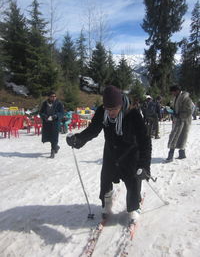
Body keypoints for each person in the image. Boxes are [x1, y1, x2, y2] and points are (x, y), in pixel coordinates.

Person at [66, 85, 151, 224]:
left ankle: (133, 208)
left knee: (133, 181)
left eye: (114, 109)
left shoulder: (133, 114)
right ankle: (106, 202)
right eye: (108, 109)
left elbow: (145, 141)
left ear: (121, 105)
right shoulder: (102, 111)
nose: (110, 113)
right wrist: (78, 139)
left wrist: (144, 166)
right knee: (106, 178)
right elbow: (93, 129)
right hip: (112, 151)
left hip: (130, 152)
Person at [165, 85, 193, 162]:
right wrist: (169, 109)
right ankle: (181, 154)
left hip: (184, 121)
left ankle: (171, 156)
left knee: (178, 137)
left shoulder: (186, 99)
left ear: (177, 91)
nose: (172, 94)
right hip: (177, 121)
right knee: (176, 137)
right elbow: (175, 108)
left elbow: (189, 110)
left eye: (173, 92)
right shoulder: (175, 98)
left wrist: (179, 115)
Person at [40, 91, 64, 158]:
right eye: (52, 96)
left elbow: (62, 113)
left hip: (55, 123)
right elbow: (41, 112)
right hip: (47, 123)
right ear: (49, 97)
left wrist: (56, 116)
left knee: (54, 137)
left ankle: (52, 150)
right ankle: (56, 147)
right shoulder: (45, 103)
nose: (53, 98)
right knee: (49, 137)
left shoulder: (59, 103)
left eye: (54, 96)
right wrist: (44, 116)